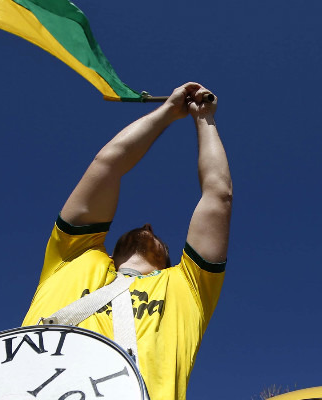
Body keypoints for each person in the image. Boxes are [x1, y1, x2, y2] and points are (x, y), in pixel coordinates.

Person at [22, 82, 232, 400]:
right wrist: (166, 113)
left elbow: (218, 194)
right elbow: (108, 164)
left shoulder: (189, 285)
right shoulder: (74, 255)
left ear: (168, 258)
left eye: (156, 234)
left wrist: (205, 118)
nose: (147, 225)